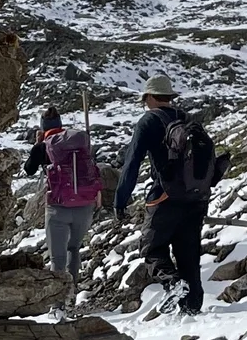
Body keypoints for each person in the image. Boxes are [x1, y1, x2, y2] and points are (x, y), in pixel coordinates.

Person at [114, 73, 215, 313]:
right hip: (196, 197)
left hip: (165, 196)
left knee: (152, 249)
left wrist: (120, 200)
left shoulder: (148, 122)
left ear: (148, 97)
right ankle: (192, 311)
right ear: (169, 97)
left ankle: (172, 282)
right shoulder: (186, 119)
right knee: (188, 255)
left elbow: (132, 163)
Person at [25, 102, 100, 293]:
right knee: (73, 249)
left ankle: (58, 303)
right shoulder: (78, 142)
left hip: (57, 208)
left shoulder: (43, 147)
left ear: (43, 127)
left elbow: (29, 170)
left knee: (57, 259)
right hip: (84, 205)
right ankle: (72, 293)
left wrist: (37, 144)